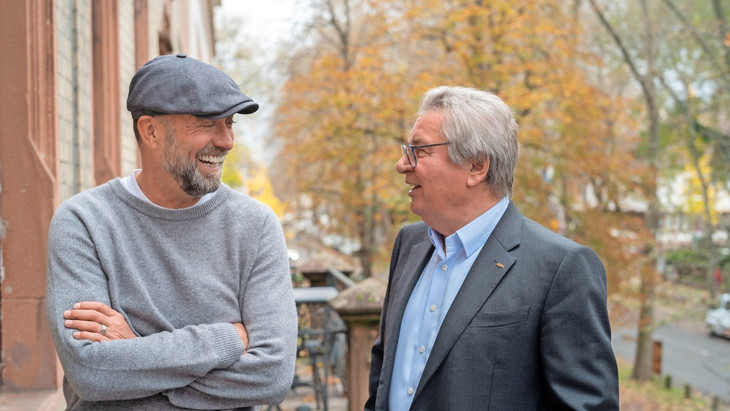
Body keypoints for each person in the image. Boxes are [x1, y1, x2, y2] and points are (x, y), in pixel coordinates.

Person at [46, 53, 298, 410]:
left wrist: (137, 354)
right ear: (150, 131)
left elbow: (271, 376)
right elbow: (92, 372)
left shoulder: (254, 225)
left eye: (230, 123)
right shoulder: (84, 221)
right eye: (208, 123)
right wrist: (226, 339)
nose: (226, 141)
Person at [365, 86, 619, 410]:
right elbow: (384, 372)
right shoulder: (408, 244)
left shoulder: (561, 268)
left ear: (475, 166)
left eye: (419, 150)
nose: (402, 164)